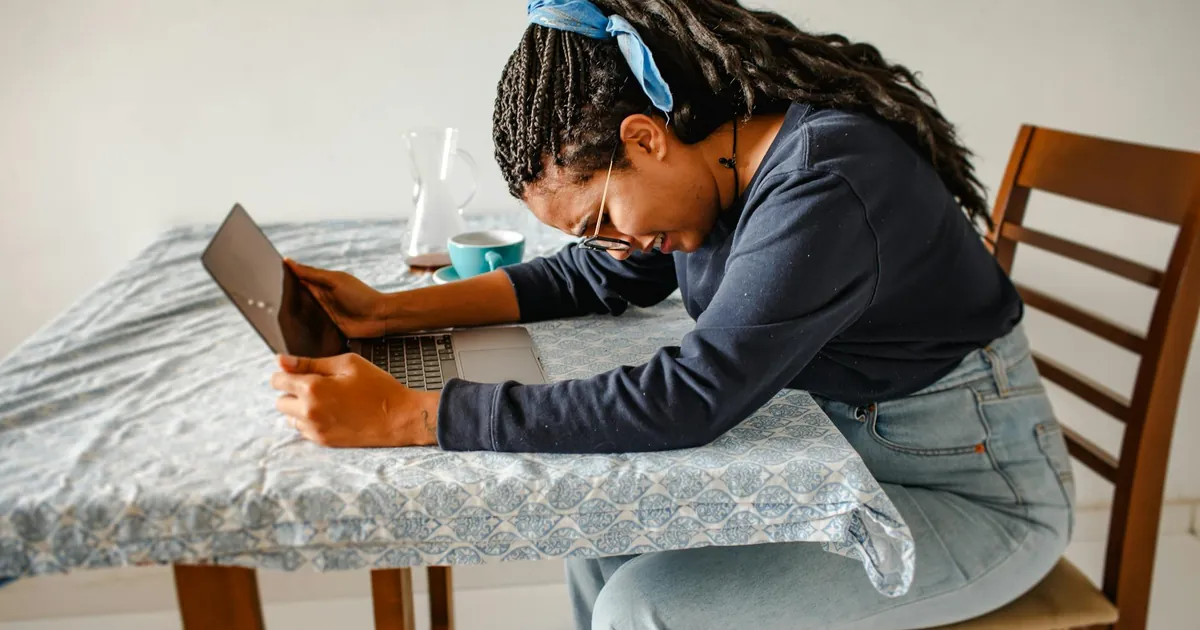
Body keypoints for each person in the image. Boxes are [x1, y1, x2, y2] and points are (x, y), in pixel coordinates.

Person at [269, 1, 1075, 628]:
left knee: (642, 608)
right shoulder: (714, 168)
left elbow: (689, 398)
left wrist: (417, 417)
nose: (614, 242)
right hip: (845, 457)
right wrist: (391, 312)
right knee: (599, 530)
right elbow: (597, 278)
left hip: (977, 496)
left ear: (644, 136)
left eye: (602, 217)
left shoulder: (826, 184)